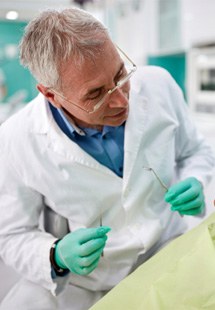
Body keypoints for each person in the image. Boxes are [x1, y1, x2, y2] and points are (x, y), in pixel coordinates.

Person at [0, 7, 214, 310]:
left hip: (169, 250)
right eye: (96, 93)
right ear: (51, 95)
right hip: (89, 283)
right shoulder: (15, 139)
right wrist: (55, 255)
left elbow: (196, 152)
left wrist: (196, 179)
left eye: (120, 74)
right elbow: (11, 234)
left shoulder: (159, 85)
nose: (121, 99)